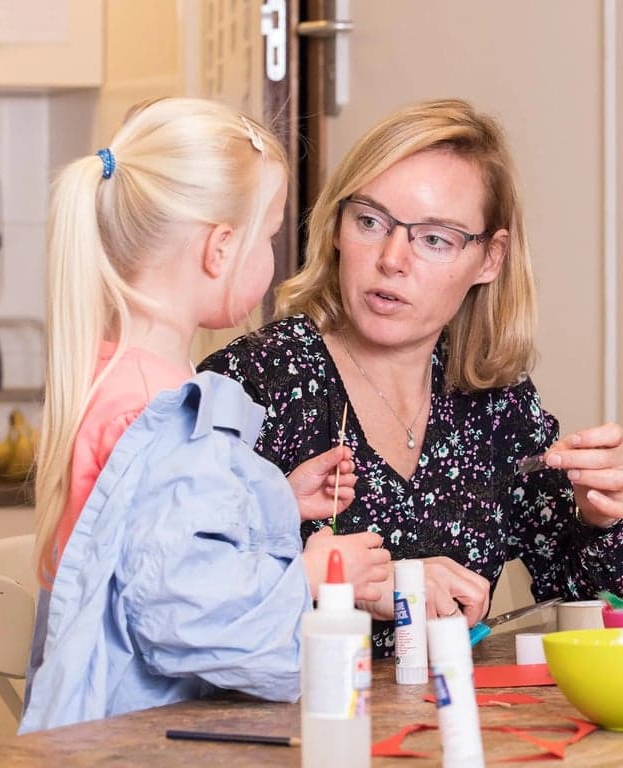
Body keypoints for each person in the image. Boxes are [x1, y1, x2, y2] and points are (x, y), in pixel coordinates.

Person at [199, 98, 623, 656]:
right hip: (301, 711)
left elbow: (599, 604)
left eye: (435, 238)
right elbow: (185, 604)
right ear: (337, 228)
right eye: (370, 221)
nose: (392, 259)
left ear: (490, 259)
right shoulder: (255, 382)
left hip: (454, 709)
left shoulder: (495, 401)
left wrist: (601, 515)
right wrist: (371, 584)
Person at [21, 97, 390, 732]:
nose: (273, 255)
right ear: (219, 249)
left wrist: (273, 500)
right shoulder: (164, 412)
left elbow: (146, 540)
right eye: (268, 236)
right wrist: (312, 575)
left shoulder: (117, 378)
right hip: (140, 741)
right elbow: (184, 614)